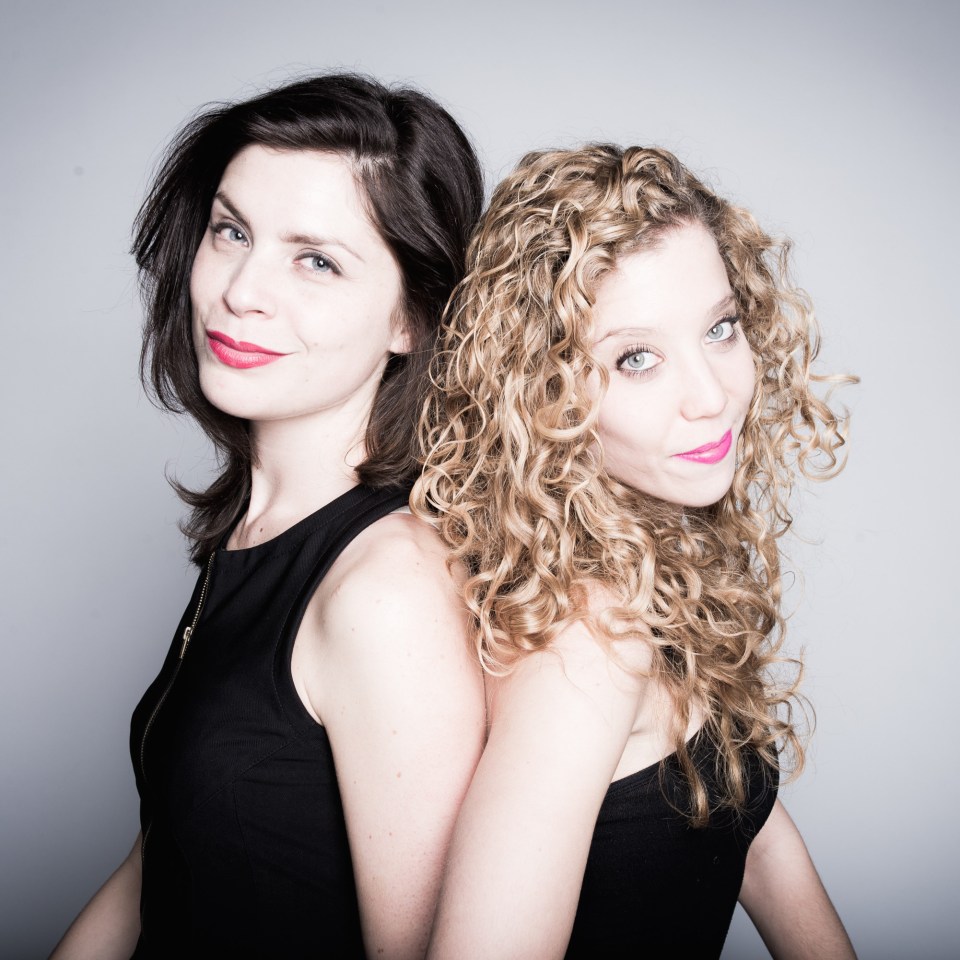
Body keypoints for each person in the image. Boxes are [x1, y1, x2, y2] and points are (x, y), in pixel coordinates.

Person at [50, 73, 486, 960]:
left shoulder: (386, 590)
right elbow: (170, 851)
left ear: (410, 316)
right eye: (232, 231)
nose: (241, 290)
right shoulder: (255, 534)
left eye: (315, 260)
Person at [415, 144, 858, 959]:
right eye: (636, 359)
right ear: (543, 392)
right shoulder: (590, 636)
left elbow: (743, 817)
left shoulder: (653, 556)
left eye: (720, 329)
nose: (711, 395)